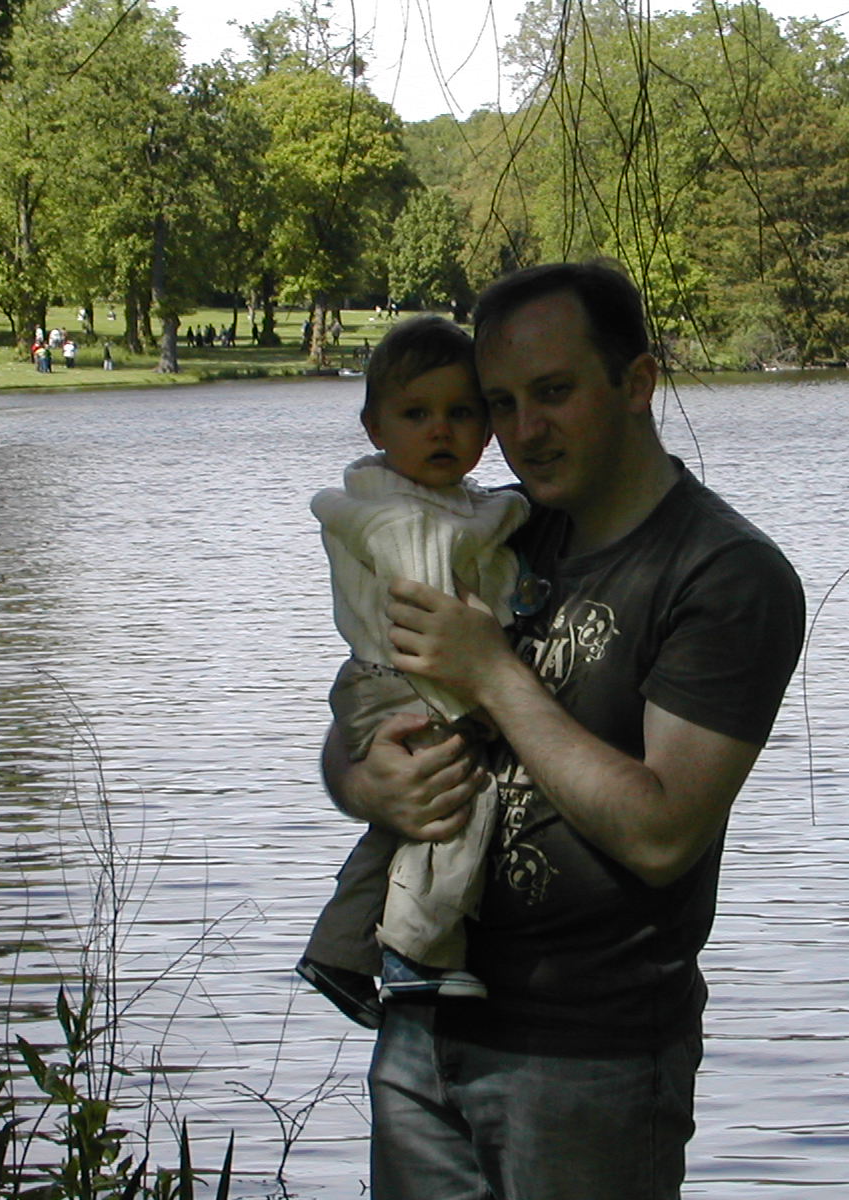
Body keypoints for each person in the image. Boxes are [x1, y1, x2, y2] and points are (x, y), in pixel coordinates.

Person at [322, 261, 805, 1199]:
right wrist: (364, 780)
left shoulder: (724, 575)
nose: (524, 432)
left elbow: (662, 832)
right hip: (422, 1025)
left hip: (589, 1062)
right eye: (500, 403)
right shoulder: (498, 531)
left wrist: (493, 673)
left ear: (637, 382)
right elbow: (361, 706)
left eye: (553, 393)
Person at [298, 314, 529, 1029]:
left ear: (486, 430)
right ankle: (415, 953)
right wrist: (474, 705)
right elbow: (426, 622)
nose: (440, 430)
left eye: (461, 413)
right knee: (461, 799)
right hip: (406, 682)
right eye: (416, 414)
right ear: (374, 427)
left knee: (406, 820)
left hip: (391, 680)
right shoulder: (403, 521)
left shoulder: (442, 503)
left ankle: (339, 949)